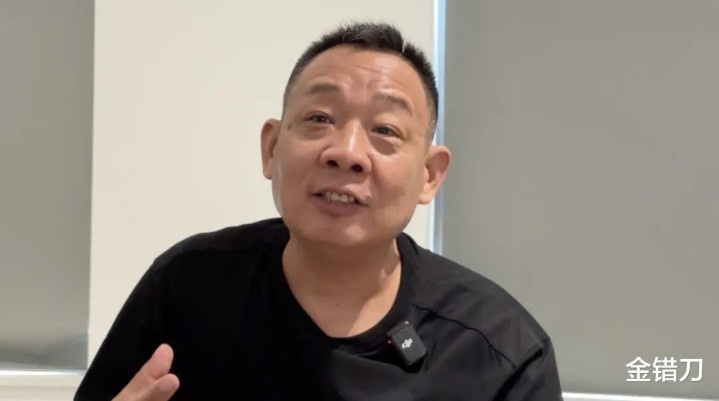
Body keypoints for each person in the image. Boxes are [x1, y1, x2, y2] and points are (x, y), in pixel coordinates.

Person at [74, 22, 562, 400]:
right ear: (271, 149)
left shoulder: (499, 349)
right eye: (319, 118)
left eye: (385, 130)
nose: (346, 152)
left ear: (429, 175)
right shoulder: (187, 286)